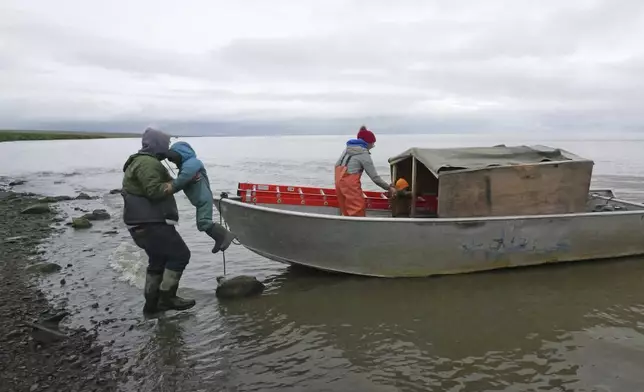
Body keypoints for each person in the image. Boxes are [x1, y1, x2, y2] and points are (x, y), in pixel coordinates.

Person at [121, 127, 196, 313]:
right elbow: (155, 191)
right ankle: (167, 299)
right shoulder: (148, 163)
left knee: (158, 260)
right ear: (157, 144)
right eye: (166, 143)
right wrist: (180, 182)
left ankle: (152, 306)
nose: (168, 147)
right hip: (150, 223)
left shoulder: (140, 161)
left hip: (139, 222)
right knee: (180, 255)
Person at [165, 141, 236, 253]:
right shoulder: (185, 168)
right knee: (202, 224)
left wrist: (172, 187)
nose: (174, 162)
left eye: (174, 159)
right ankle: (220, 238)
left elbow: (183, 178)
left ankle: (225, 235)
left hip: (203, 199)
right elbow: (183, 181)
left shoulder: (192, 163)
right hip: (200, 200)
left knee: (204, 222)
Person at [335, 126, 396, 217]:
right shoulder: (363, 154)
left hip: (338, 181)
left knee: (346, 209)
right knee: (357, 209)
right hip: (350, 184)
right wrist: (389, 188)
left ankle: (347, 227)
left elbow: (337, 165)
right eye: (372, 143)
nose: (373, 146)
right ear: (367, 143)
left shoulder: (348, 149)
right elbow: (374, 177)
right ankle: (358, 229)